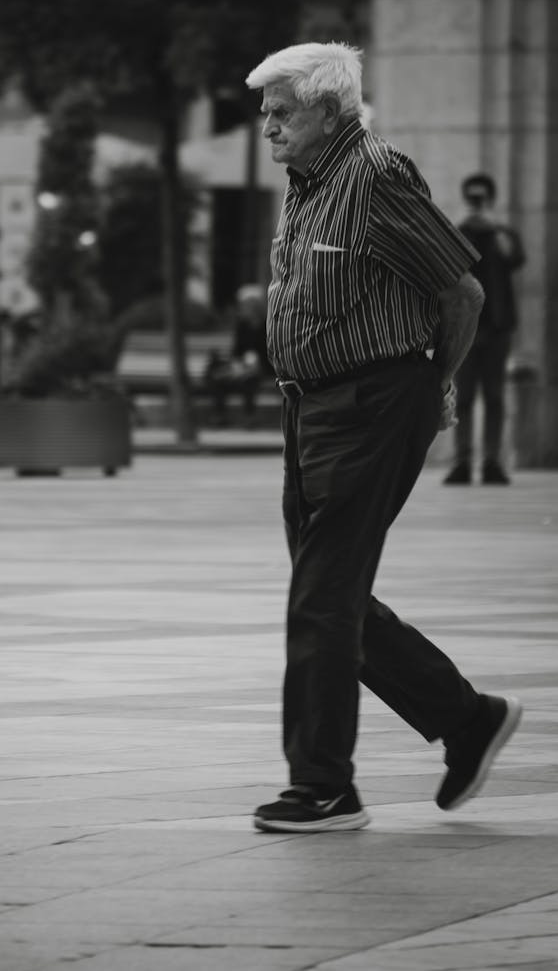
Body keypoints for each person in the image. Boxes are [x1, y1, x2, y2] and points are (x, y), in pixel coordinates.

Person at [244, 42, 522, 833]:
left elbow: (460, 290)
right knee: (328, 591)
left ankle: (324, 786)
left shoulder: (376, 176)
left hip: (372, 402)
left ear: (329, 113)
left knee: (322, 597)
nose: (268, 127)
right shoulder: (307, 183)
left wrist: (436, 381)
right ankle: (468, 720)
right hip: (312, 408)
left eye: (282, 113)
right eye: (264, 112)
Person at [443, 173, 525, 486]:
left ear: (490, 200)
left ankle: (492, 460)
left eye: (482, 198)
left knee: (494, 396)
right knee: (461, 397)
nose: (477, 204)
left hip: (497, 327)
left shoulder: (502, 233)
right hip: (464, 327)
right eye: (473, 198)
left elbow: (516, 259)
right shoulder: (456, 232)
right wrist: (460, 225)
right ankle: (461, 461)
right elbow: (445, 264)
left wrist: (495, 225)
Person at [205, 284, 272, 426]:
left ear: (256, 306)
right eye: (243, 305)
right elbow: (236, 351)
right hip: (242, 367)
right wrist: (238, 364)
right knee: (219, 378)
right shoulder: (242, 326)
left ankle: (250, 416)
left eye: (247, 305)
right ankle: (219, 416)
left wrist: (255, 362)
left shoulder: (267, 325)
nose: (243, 308)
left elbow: (270, 352)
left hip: (262, 368)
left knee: (250, 380)